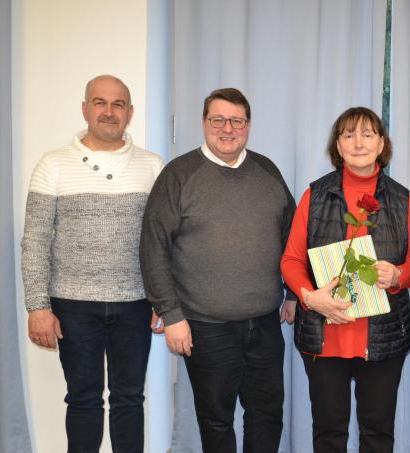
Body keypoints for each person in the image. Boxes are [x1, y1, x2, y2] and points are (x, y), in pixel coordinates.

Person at [139, 88, 296, 453]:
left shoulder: (267, 171)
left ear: (248, 126)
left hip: (265, 324)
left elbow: (292, 237)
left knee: (268, 415)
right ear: (204, 123)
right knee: (216, 421)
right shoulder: (178, 175)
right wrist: (171, 313)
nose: (227, 129)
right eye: (218, 120)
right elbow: (154, 246)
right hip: (205, 327)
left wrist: (292, 294)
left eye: (236, 120)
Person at [21, 74, 163, 453]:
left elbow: (165, 242)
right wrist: (38, 307)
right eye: (100, 102)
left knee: (129, 400)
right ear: (85, 108)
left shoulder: (152, 167)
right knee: (83, 400)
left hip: (136, 304)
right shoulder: (52, 165)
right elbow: (35, 240)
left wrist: (165, 301)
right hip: (72, 305)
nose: (109, 112)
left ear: (130, 113)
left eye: (118, 104)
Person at [280, 106, 410, 453]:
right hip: (325, 335)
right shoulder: (314, 196)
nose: (358, 142)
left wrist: (398, 275)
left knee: (377, 433)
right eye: (349, 134)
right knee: (328, 433)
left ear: (381, 144)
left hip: (382, 337)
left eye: (368, 134)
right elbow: (291, 260)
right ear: (338, 146)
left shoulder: (403, 200)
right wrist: (310, 298)